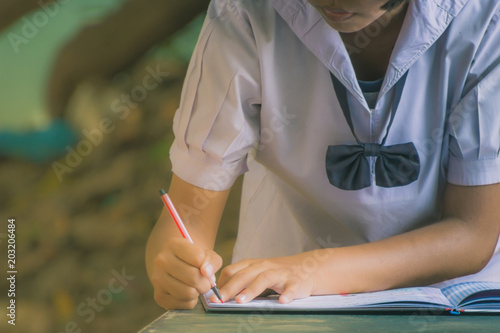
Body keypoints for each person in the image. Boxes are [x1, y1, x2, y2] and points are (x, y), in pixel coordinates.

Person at [146, 0, 500, 310]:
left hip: (452, 300)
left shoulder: (485, 16)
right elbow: (187, 219)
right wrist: (174, 266)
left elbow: (472, 233)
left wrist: (314, 269)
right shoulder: (244, 12)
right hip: (286, 303)